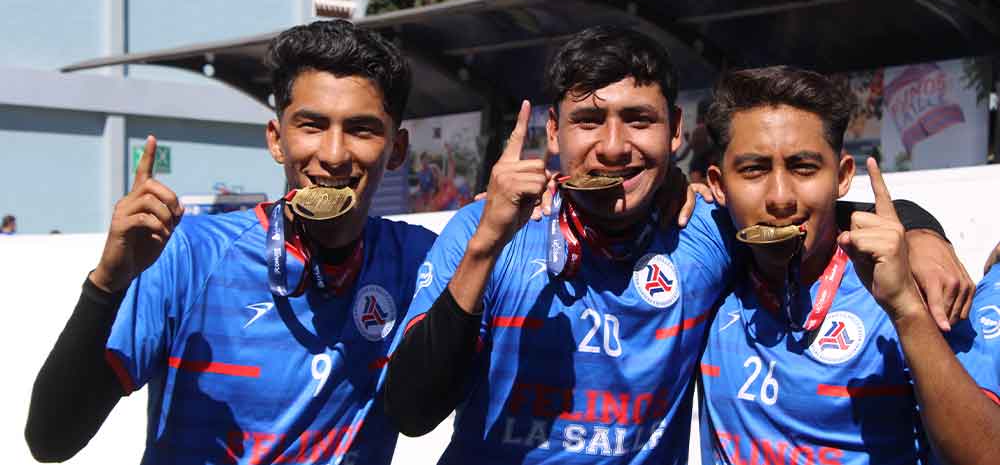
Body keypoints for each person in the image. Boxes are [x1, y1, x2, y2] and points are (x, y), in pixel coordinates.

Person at [383, 27, 967, 464]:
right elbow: (411, 412)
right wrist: (486, 246)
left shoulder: (704, 233)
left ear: (676, 131)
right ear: (553, 133)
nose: (615, 147)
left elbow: (795, 211)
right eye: (588, 121)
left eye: (639, 119)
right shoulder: (483, 230)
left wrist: (920, 233)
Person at [25, 20, 437, 465]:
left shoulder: (419, 262)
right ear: (276, 140)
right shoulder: (189, 255)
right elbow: (51, 441)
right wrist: (107, 282)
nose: (334, 154)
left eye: (361, 129)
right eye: (312, 126)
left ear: (397, 150)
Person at [698, 66, 999, 465]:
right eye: (754, 169)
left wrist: (906, 309)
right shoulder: (703, 269)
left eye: (804, 167)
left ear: (841, 177)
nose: (780, 197)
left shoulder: (917, 287)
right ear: (719, 185)